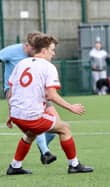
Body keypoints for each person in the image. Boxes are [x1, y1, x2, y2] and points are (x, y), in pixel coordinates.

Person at [6, 34, 93, 175]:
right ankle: (74, 165)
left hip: (17, 115)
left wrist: (11, 114)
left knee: (30, 134)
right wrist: (71, 107)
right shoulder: (48, 67)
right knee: (64, 128)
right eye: (52, 49)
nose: (54, 53)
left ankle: (15, 166)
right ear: (44, 50)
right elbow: (51, 95)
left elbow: (11, 92)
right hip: (31, 116)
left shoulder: (21, 64)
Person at [0, 32, 58, 165]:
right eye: (34, 49)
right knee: (37, 119)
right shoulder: (12, 51)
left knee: (55, 124)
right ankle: (45, 152)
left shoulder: (37, 57)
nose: (36, 53)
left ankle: (41, 147)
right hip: (15, 91)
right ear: (27, 46)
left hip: (37, 92)